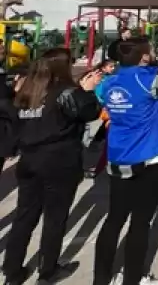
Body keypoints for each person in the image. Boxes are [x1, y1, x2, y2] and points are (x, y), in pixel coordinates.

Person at [93, 28, 158, 285]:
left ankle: (101, 279)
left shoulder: (109, 83)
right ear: (144, 58)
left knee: (114, 219)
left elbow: (154, 70)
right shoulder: (148, 82)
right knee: (141, 221)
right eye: (151, 51)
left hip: (117, 158)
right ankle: (134, 279)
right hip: (148, 159)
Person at [2, 50, 102, 285]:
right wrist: (86, 92)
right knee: (54, 217)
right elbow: (89, 112)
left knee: (24, 216)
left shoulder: (26, 93)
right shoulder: (66, 93)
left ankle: (12, 271)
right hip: (59, 160)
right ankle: (47, 271)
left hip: (30, 161)